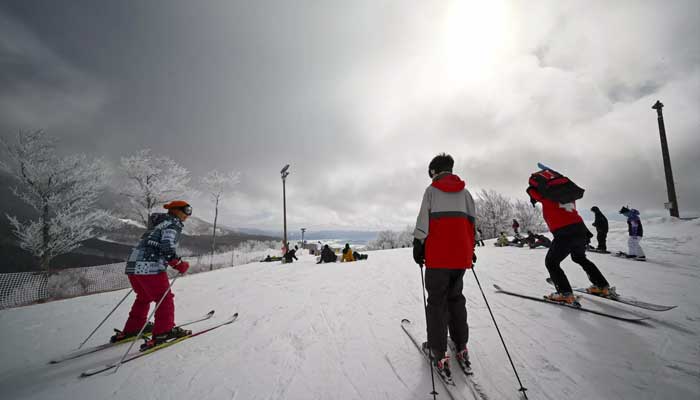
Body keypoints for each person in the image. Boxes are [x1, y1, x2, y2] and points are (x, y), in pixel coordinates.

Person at [413, 153, 476, 379]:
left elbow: (423, 222)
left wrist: (418, 245)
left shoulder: (431, 191)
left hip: (438, 259)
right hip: (460, 258)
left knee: (437, 303)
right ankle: (461, 345)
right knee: (455, 298)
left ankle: (438, 351)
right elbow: (471, 225)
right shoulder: (466, 194)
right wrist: (471, 250)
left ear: (434, 172)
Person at [112, 200, 192, 350]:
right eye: (187, 210)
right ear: (175, 210)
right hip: (150, 266)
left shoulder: (158, 224)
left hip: (133, 265)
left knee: (144, 296)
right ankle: (164, 331)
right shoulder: (172, 224)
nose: (188, 215)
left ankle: (135, 327)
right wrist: (178, 264)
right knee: (164, 298)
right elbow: (166, 246)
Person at [527, 174, 611, 303]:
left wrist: (530, 188)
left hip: (565, 232)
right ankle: (602, 286)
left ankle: (565, 293)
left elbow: (533, 192)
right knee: (579, 258)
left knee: (551, 262)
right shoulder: (568, 195)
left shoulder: (547, 196)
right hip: (580, 230)